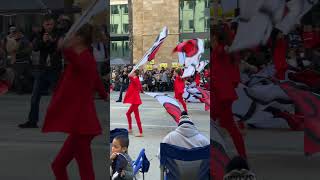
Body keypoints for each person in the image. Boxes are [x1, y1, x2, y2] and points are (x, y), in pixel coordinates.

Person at [42, 23, 108, 180]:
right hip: (81, 125)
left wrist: (63, 48)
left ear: (78, 39)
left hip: (82, 126)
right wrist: (104, 95)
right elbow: (96, 81)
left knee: (84, 170)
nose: (68, 38)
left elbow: (77, 62)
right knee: (59, 166)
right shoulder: (85, 58)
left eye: (71, 36)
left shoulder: (84, 59)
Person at [19, 15, 63, 128]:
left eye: (51, 24)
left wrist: (53, 41)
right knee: (35, 97)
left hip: (55, 70)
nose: (49, 27)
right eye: (47, 24)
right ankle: (32, 121)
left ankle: (61, 121)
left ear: (54, 25)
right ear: (43, 24)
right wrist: (42, 41)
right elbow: (35, 48)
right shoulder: (39, 35)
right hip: (42, 69)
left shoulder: (59, 34)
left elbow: (60, 48)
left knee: (58, 97)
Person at [211, 32, 247, 159]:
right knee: (227, 126)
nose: (212, 42)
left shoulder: (220, 51)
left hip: (222, 95)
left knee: (228, 126)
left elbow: (224, 50)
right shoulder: (217, 53)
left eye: (214, 39)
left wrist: (225, 47)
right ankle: (239, 154)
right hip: (221, 94)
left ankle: (237, 154)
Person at [123, 69, 143, 137]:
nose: (132, 73)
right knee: (128, 113)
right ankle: (130, 129)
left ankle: (140, 132)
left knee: (136, 116)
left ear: (135, 73)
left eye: (133, 72)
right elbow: (140, 87)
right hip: (135, 100)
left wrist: (131, 72)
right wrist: (142, 90)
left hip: (135, 101)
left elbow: (129, 76)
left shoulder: (135, 79)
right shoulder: (136, 79)